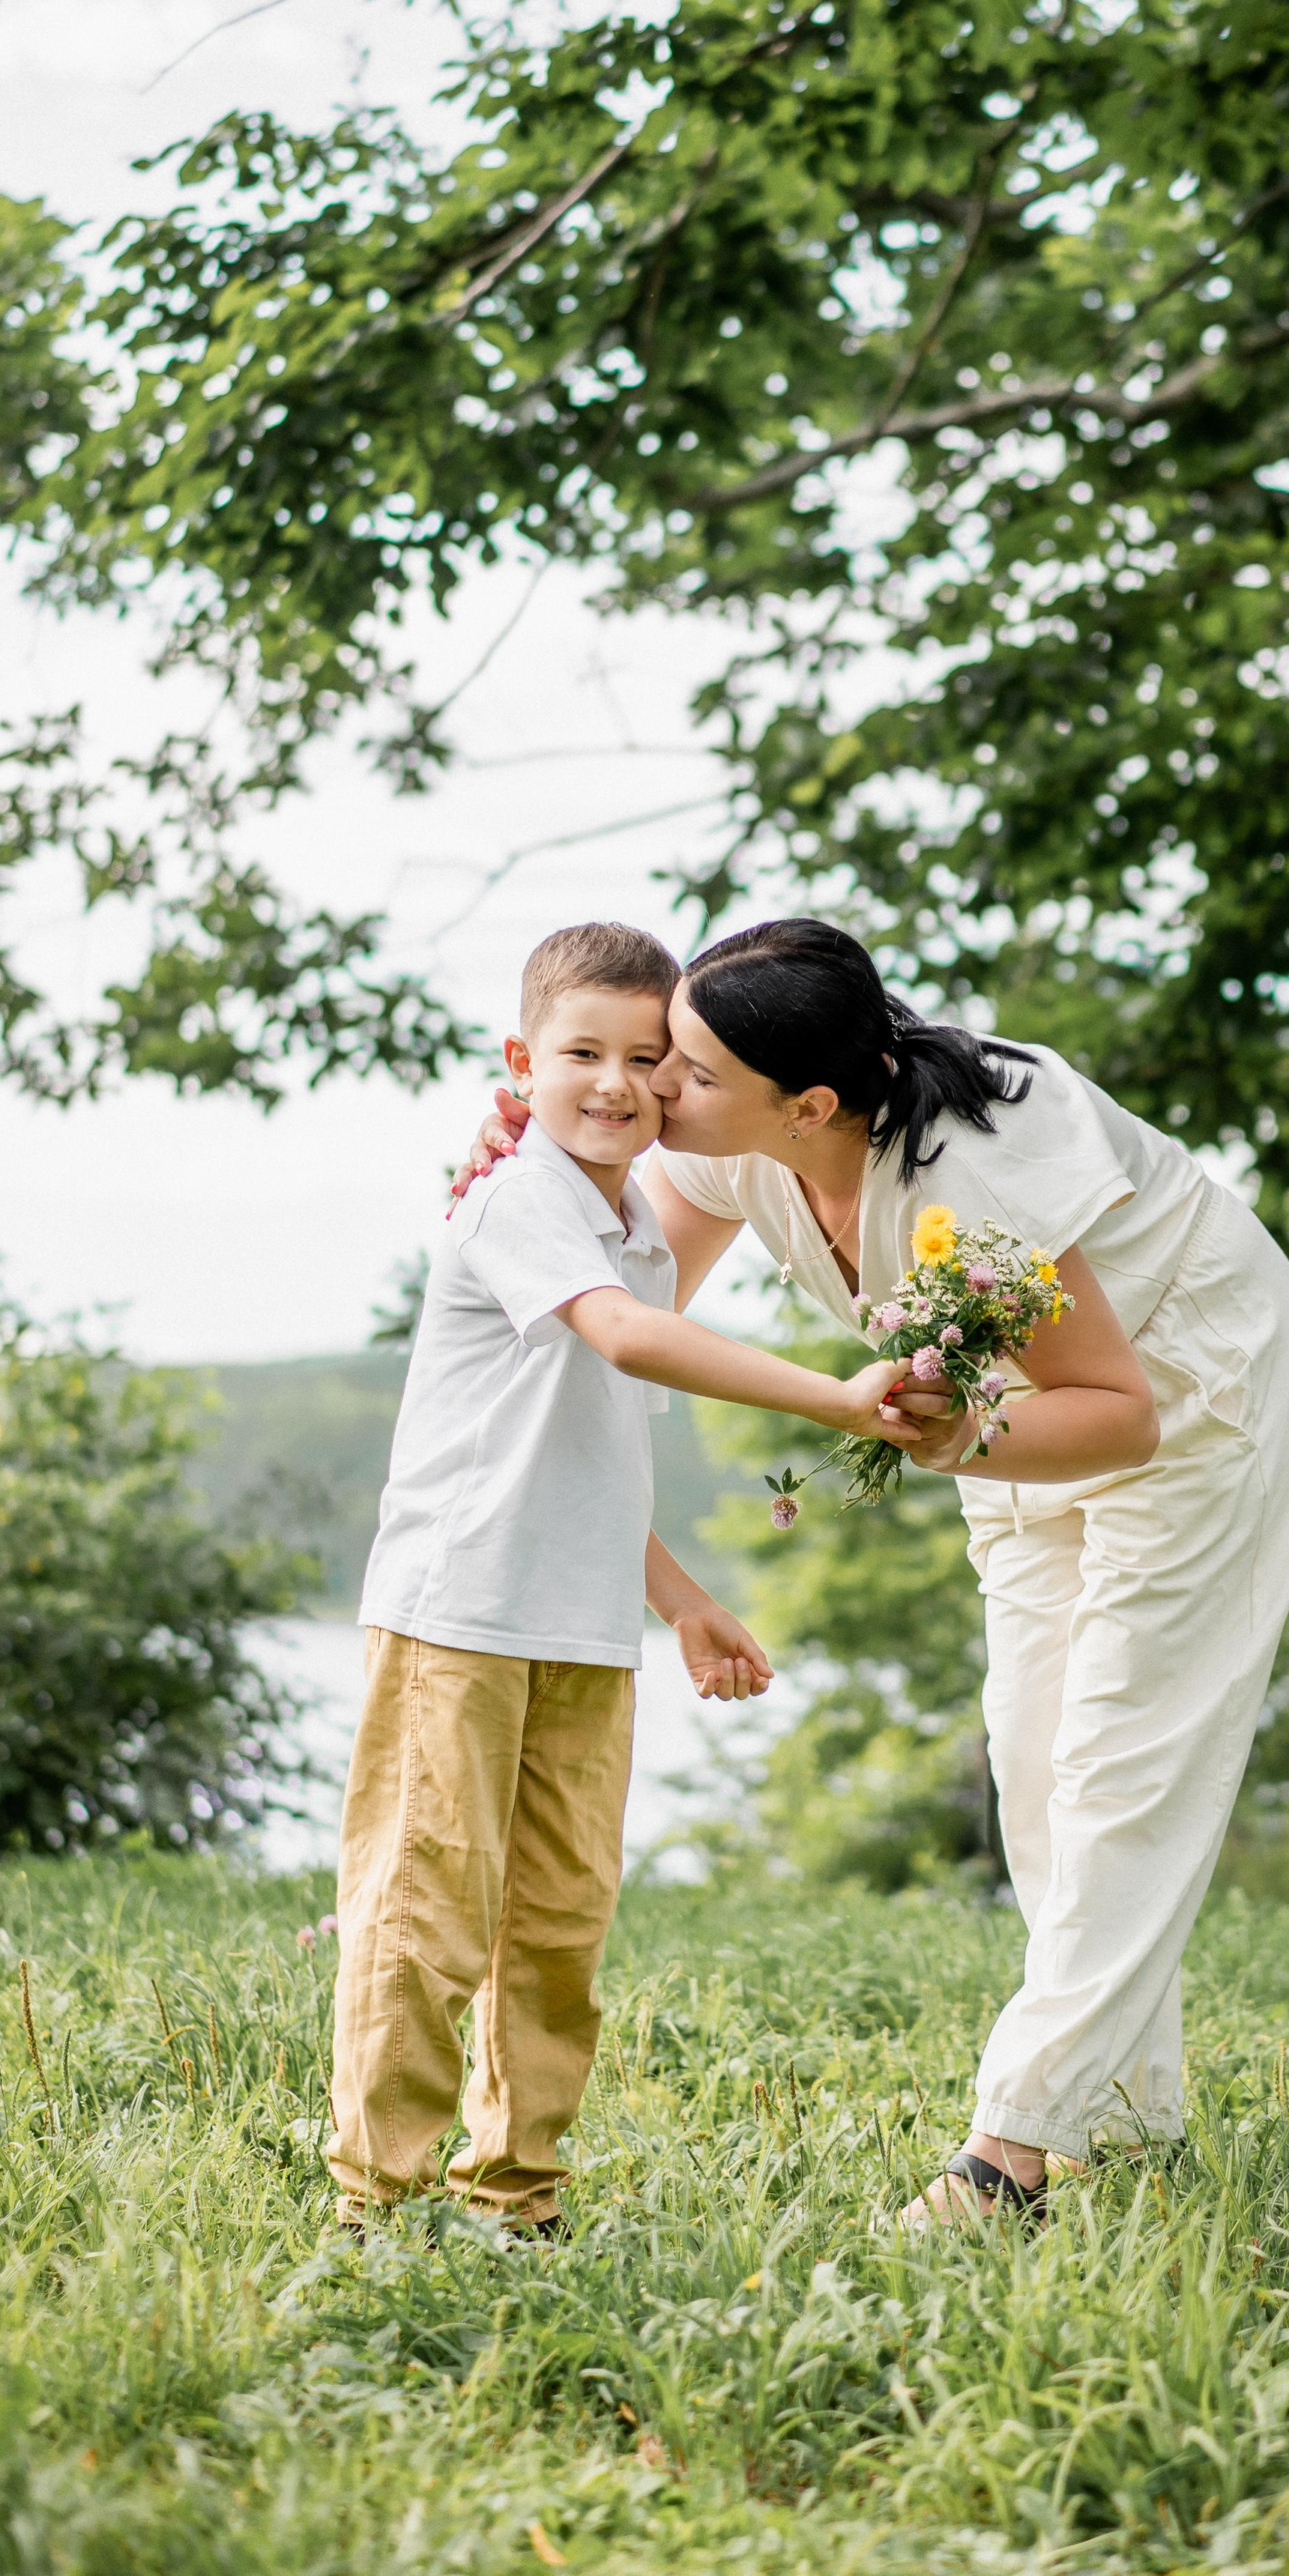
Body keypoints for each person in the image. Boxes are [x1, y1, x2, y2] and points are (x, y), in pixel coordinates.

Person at [453, 916, 1289, 2226]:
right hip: (1008, 1428)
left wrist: (950, 1431)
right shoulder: (747, 1149)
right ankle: (1129, 2128)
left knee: (1121, 1770)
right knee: (1035, 1772)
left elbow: (1120, 1412)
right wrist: (530, 1166)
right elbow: (631, 1286)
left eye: (682, 1069)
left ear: (807, 1103)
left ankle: (1008, 2161)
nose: (654, 1087)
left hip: (1196, 1402)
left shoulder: (968, 1172)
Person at [329, 921, 916, 2237]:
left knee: (555, 1925)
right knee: (426, 1914)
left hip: (584, 1628)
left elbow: (592, 1458)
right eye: (581, 1052)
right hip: (457, 1615)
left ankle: (520, 2190)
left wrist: (686, 1600)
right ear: (518, 1061)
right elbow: (629, 1343)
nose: (613, 1082)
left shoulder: (631, 1223)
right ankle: (379, 2200)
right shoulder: (519, 1198)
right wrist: (840, 1401)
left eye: (647, 1058)